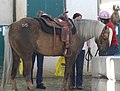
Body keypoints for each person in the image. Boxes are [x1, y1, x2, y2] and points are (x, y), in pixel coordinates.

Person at [72, 13, 90, 90]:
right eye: (78, 19)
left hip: (81, 49)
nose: (79, 20)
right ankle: (72, 83)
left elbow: (87, 36)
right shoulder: (72, 27)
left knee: (79, 68)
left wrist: (89, 46)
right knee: (71, 67)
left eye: (80, 19)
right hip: (73, 49)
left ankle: (79, 84)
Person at [30, 11, 46, 89]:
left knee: (40, 66)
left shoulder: (44, 26)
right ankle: (30, 82)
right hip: (33, 49)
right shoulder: (33, 25)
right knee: (31, 66)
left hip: (40, 49)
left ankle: (39, 82)